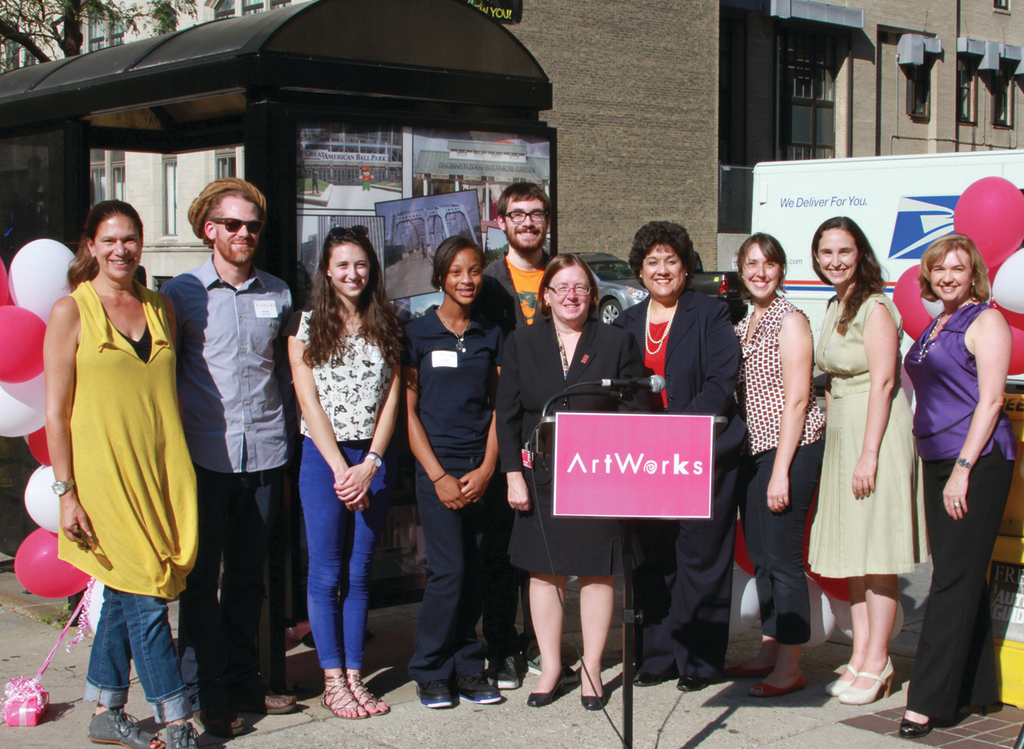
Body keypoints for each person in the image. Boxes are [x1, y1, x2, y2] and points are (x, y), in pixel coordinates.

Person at [45, 200, 200, 749]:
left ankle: (106, 709)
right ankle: (176, 718)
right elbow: (55, 413)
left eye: (130, 239)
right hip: (101, 477)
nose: (121, 249)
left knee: (122, 588)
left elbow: (159, 398)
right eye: (109, 240)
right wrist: (66, 493)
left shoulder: (161, 308)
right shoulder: (71, 310)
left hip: (158, 472)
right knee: (149, 593)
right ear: (90, 245)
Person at [161, 178, 298, 737]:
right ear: (210, 230)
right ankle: (203, 688)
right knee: (199, 581)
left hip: (265, 451)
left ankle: (245, 679)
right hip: (204, 456)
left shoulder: (280, 293)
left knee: (247, 578)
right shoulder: (180, 294)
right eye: (234, 225)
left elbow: (288, 377)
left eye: (253, 227)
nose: (245, 234)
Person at [496, 253, 646, 710]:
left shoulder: (617, 341)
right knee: (545, 573)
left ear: (593, 294)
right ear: (546, 296)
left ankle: (594, 670)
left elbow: (637, 407)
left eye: (580, 287)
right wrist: (512, 476)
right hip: (539, 474)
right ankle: (554, 666)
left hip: (598, 473)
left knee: (597, 571)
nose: (571, 296)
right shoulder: (522, 342)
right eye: (560, 287)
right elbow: (506, 416)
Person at [616, 221, 744, 693]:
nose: (662, 269)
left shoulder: (710, 314)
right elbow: (619, 391)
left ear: (687, 266)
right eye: (653, 261)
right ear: (640, 270)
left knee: (700, 557)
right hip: (646, 460)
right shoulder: (625, 323)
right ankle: (657, 655)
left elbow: (719, 384)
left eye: (672, 260)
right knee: (652, 557)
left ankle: (699, 660)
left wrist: (674, 432)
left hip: (702, 454)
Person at [898, 234, 1015, 739]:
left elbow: (991, 402)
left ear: (974, 275)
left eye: (957, 269)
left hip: (977, 463)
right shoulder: (936, 323)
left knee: (949, 583)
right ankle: (977, 689)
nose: (947, 276)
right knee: (958, 574)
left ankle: (926, 701)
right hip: (937, 459)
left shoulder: (986, 320)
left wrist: (964, 469)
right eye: (939, 268)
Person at [806, 216, 927, 706]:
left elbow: (883, 381)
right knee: (853, 554)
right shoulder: (835, 305)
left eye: (844, 251)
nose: (834, 260)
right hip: (843, 430)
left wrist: (869, 454)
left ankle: (879, 661)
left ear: (861, 254)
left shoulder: (876, 306)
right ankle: (860, 656)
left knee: (877, 555)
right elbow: (831, 380)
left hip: (874, 430)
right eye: (826, 252)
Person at [288, 226, 402, 719]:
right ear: (327, 272)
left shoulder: (388, 323)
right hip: (324, 460)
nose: (352, 273)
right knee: (326, 570)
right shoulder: (306, 326)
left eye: (360, 264)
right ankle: (332, 679)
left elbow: (393, 397)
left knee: (359, 573)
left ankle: (355, 677)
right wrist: (341, 469)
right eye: (342, 265)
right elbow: (308, 401)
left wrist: (370, 462)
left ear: (370, 268)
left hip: (373, 460)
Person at [404, 236, 505, 709]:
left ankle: (469, 666)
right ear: (441, 276)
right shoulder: (418, 333)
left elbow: (498, 409)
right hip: (436, 469)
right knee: (449, 571)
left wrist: (486, 469)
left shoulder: (490, 334)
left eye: (475, 271)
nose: (467, 280)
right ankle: (430, 668)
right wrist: (439, 476)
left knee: (477, 571)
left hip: (479, 470)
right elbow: (408, 414)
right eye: (457, 272)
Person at [725, 233, 825, 697]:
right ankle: (770, 644)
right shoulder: (747, 321)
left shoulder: (791, 320)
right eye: (751, 264)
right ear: (741, 270)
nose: (760, 272)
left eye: (768, 263)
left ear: (781, 270)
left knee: (783, 559)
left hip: (790, 450)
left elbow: (799, 398)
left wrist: (782, 468)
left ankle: (790, 664)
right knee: (762, 556)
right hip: (754, 452)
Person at [475, 181, 554, 689]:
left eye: (536, 213)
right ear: (501, 221)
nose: (527, 222)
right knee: (502, 548)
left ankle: (543, 643)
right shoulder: (483, 282)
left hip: (554, 431)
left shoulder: (565, 275)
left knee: (549, 549)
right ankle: (502, 647)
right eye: (517, 214)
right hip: (501, 429)